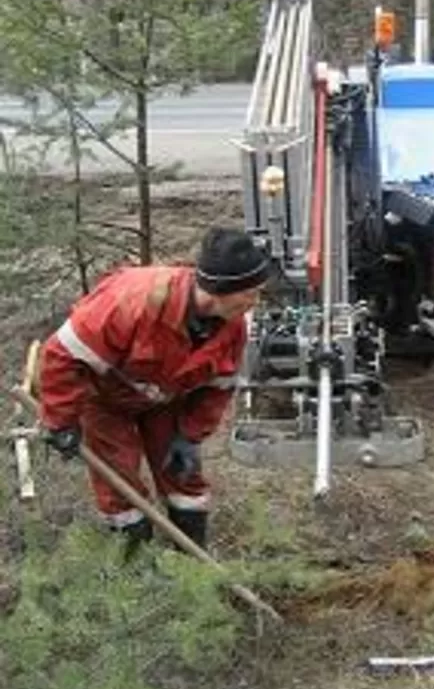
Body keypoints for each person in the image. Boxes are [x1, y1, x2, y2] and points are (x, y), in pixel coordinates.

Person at [37, 227, 271, 555]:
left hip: (166, 398)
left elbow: (219, 387)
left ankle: (191, 568)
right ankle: (137, 571)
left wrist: (190, 436)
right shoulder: (130, 303)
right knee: (119, 485)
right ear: (219, 290)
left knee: (183, 477)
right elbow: (62, 354)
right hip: (104, 400)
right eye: (251, 292)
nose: (255, 302)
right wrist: (61, 421)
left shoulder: (234, 326)